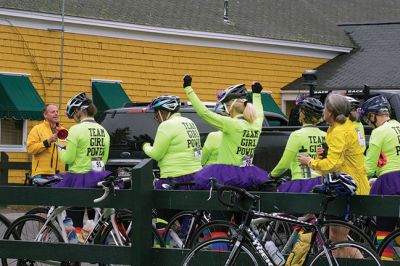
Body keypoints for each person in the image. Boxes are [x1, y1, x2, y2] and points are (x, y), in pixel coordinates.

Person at [297, 94, 369, 256]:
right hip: (352, 185)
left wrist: (310, 162)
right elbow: (343, 156)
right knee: (338, 239)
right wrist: (324, 154)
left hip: (343, 189)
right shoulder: (350, 126)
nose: (323, 111)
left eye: (325, 108)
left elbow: (332, 165)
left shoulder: (339, 131)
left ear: (330, 112)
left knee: (337, 240)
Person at [182, 75, 269, 190]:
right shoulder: (256, 124)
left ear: (231, 106)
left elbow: (204, 113)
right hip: (248, 172)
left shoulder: (232, 124)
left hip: (226, 174)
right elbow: (259, 112)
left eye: (226, 105)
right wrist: (257, 94)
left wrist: (188, 89)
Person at [56, 92, 111, 228]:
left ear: (79, 112)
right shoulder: (103, 130)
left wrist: (60, 149)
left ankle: (76, 247)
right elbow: (103, 159)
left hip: (78, 180)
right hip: (97, 179)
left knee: (75, 224)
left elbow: (68, 159)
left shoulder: (76, 129)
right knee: (96, 224)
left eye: (74, 114)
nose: (74, 118)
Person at [360, 95, 400, 255]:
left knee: (384, 230)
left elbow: (368, 168)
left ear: (373, 115)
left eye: (368, 118)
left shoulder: (379, 132)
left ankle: (385, 259)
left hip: (390, 183)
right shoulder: (398, 126)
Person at [135, 95, 202, 189]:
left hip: (174, 177)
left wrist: (144, 145)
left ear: (163, 112)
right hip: (195, 175)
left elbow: (156, 154)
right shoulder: (189, 122)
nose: (156, 118)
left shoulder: (166, 125)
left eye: (156, 113)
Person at [271, 97, 326, 192]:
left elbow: (284, 164)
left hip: (302, 183)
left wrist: (271, 176)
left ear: (302, 114)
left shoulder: (297, 135)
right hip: (321, 181)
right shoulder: (325, 135)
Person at [27, 104, 66, 181]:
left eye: (57, 111)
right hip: (41, 174)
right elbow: (30, 149)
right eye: (53, 112)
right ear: (45, 115)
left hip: (60, 174)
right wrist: (48, 141)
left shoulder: (64, 131)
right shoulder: (37, 129)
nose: (56, 114)